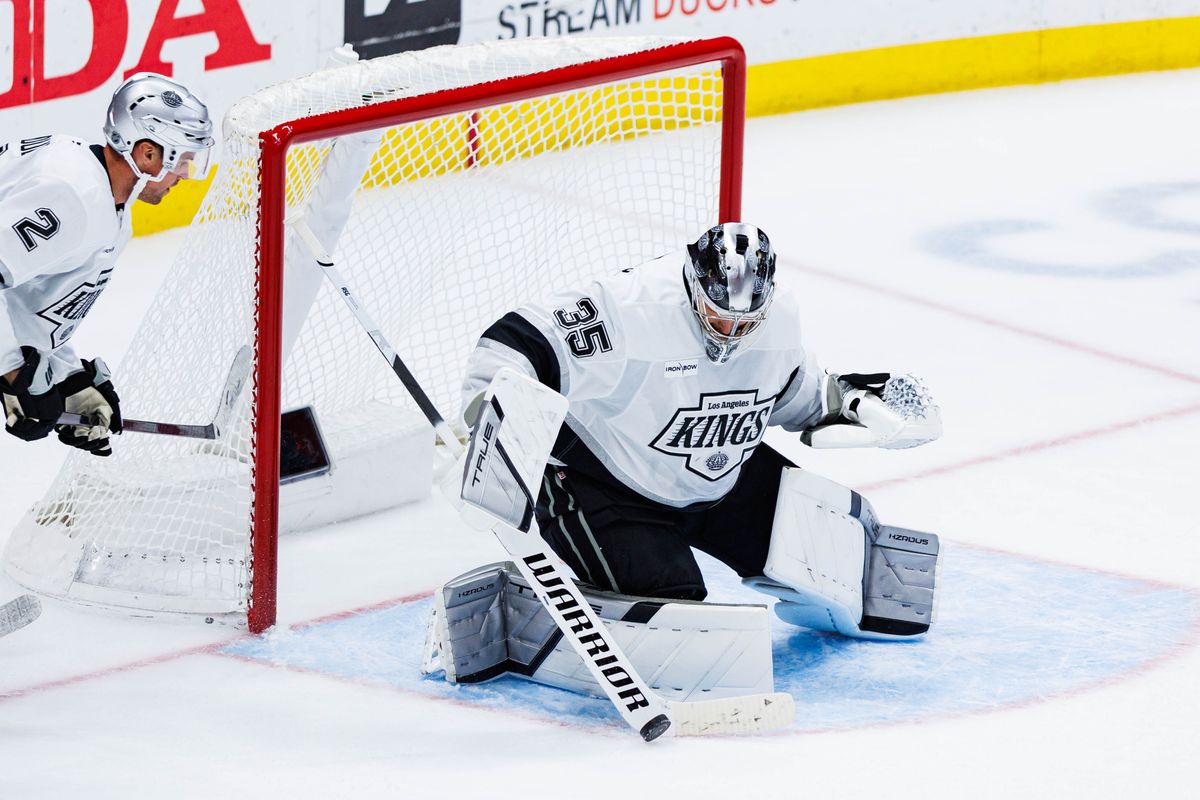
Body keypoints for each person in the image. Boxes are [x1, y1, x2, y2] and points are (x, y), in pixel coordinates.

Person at [458, 222, 943, 640]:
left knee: (843, 554)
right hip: (606, 487)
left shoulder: (779, 321)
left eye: (745, 322)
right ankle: (525, 616)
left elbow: (797, 397)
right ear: (694, 283)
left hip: (718, 478)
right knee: (676, 620)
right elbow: (516, 341)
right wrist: (490, 416)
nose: (730, 334)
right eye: (718, 317)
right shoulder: (631, 308)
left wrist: (855, 404)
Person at [0, 73, 214, 456]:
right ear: (148, 154)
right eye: (181, 160)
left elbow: (26, 302)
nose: (185, 175)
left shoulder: (109, 209)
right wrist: (13, 373)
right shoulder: (72, 197)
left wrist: (66, 377)